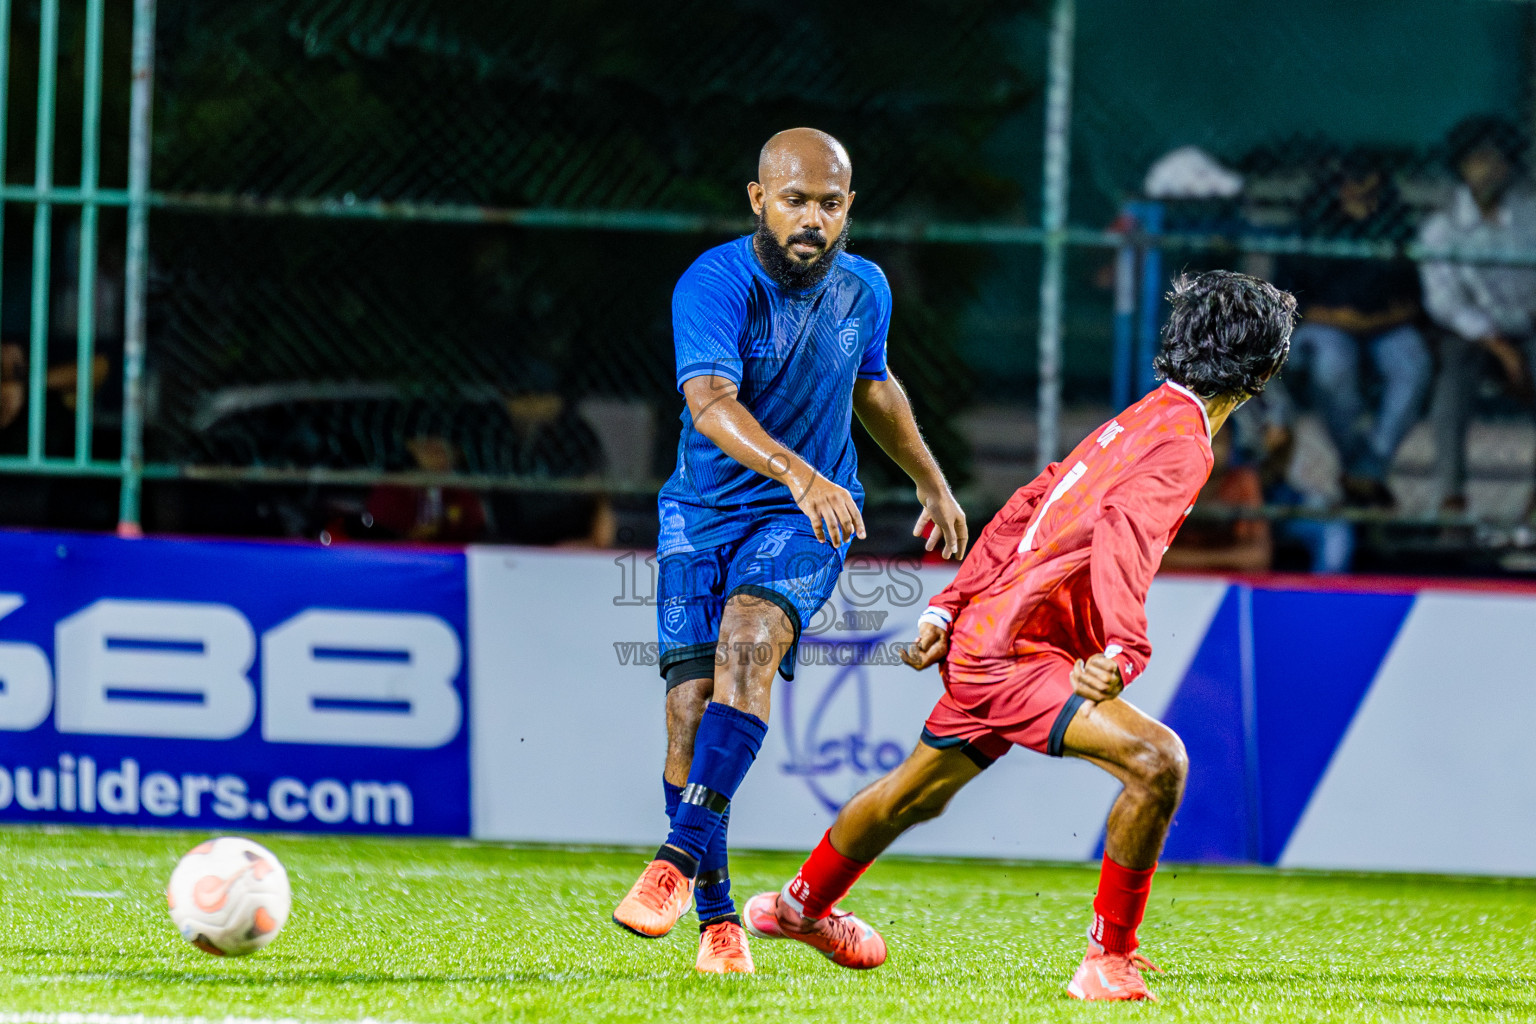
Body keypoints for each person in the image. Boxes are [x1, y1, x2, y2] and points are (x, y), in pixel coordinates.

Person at [741, 271, 1296, 1001]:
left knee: (915, 796)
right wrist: (1123, 648)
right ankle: (1108, 961)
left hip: (996, 636)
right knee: (1158, 762)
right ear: (1261, 374)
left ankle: (797, 908)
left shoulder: (1144, 416)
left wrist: (951, 604)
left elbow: (1035, 498)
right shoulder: (1185, 444)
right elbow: (1126, 531)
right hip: (1017, 652)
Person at [610, 128, 968, 974]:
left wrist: (931, 480)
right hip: (702, 514)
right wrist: (799, 469)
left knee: (748, 644)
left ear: (850, 209)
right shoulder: (714, 282)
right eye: (797, 200)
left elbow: (874, 383)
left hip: (803, 519)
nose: (813, 219)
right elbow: (709, 403)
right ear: (758, 198)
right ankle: (718, 921)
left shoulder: (865, 288)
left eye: (831, 204)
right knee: (686, 712)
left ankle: (672, 861)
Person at [1276, 153, 1430, 509]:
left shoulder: (1395, 226)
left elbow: (1414, 302)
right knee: (1332, 362)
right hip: (1322, 330)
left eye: (1367, 182)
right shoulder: (1311, 225)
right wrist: (1344, 319)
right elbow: (1288, 304)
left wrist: (1365, 322)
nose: (1357, 190)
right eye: (1349, 181)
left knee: (1413, 361)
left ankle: (1367, 467)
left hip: (1385, 328)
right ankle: (1363, 470)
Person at [1420, 116, 1536, 517]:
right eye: (1477, 160)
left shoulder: (1528, 217)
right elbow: (1445, 304)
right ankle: (1452, 497)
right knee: (1453, 382)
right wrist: (1502, 350)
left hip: (1527, 328)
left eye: (1496, 160)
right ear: (1462, 166)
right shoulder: (1443, 225)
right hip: (1470, 336)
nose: (1488, 170)